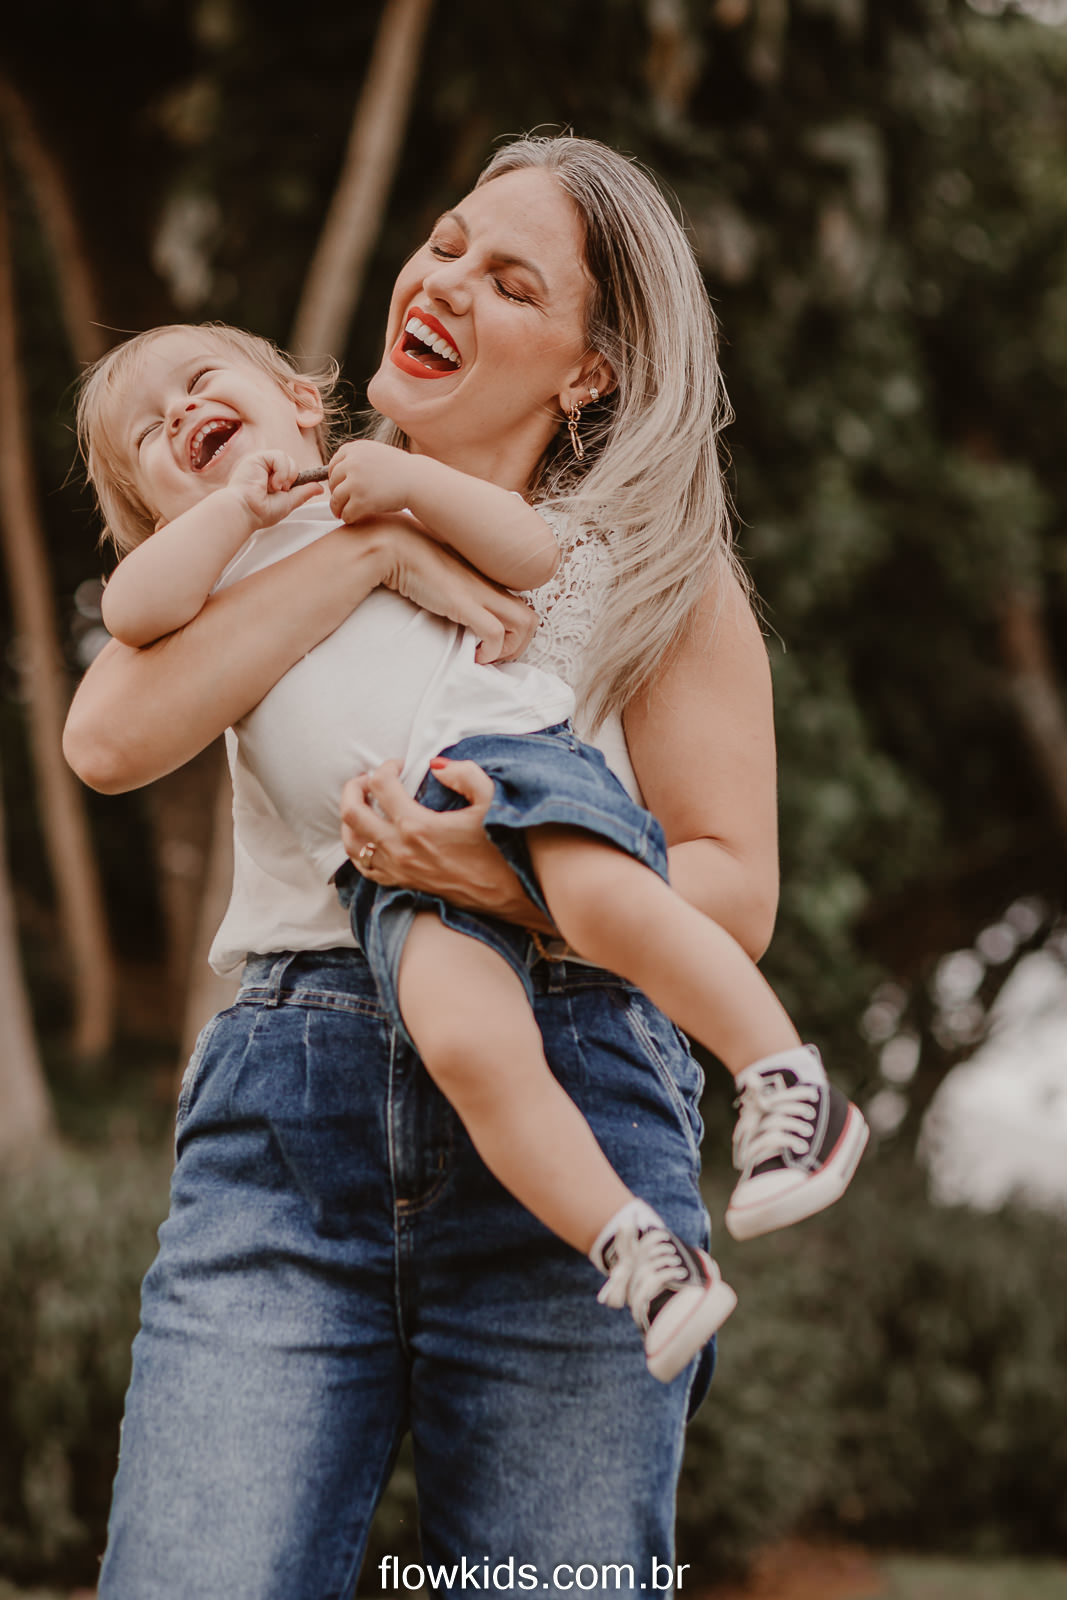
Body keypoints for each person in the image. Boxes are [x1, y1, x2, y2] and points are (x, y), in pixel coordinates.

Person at [63, 135, 839, 1596]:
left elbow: (732, 889)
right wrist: (368, 552)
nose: (443, 280)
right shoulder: (277, 526)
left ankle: (781, 1104)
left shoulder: (645, 570)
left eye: (510, 281)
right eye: (442, 242)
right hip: (287, 1130)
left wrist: (499, 881)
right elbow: (105, 734)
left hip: (577, 1087)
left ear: (590, 370)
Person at [83, 319, 866, 1381]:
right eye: (146, 434)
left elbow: (531, 555)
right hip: (386, 865)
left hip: (505, 768)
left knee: (606, 902)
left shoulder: (376, 491)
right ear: (155, 514)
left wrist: (405, 496)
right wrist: (233, 511)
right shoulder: (202, 595)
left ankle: (782, 1077)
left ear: (302, 403)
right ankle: (634, 1247)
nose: (177, 411)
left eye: (199, 379)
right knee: (467, 1043)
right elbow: (127, 615)